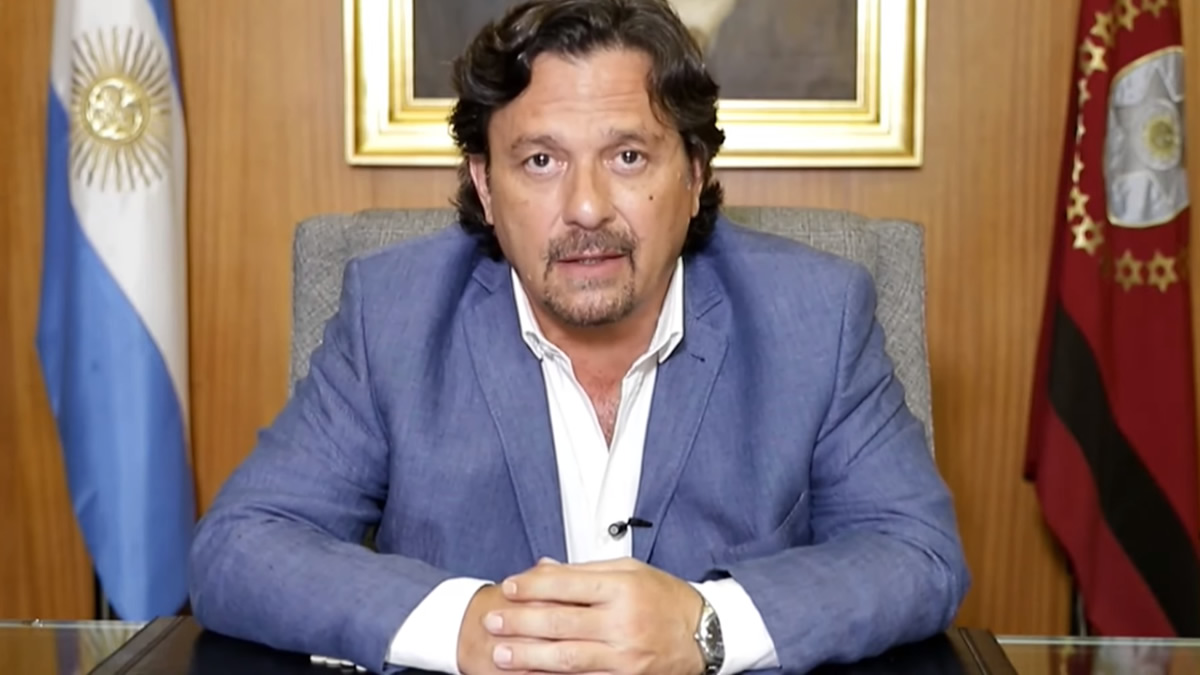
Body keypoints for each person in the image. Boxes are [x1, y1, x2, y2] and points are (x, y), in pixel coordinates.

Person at [188, 1, 970, 674]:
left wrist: (705, 625)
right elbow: (240, 546)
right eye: (540, 160)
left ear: (694, 173)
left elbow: (917, 551)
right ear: (485, 185)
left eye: (628, 156)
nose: (587, 207)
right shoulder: (394, 314)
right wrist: (471, 626)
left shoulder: (817, 315)